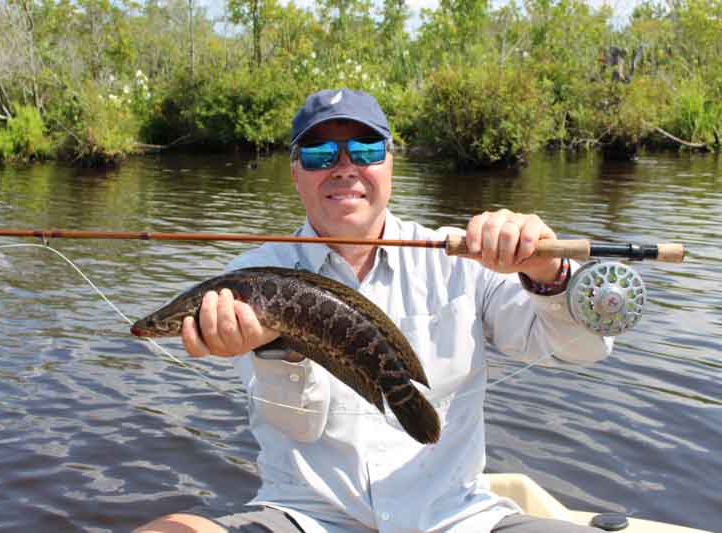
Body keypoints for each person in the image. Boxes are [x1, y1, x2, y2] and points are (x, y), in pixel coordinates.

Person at [136, 89, 613, 533]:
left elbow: (583, 350)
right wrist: (279, 351)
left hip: (457, 517)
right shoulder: (244, 281)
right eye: (320, 154)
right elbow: (295, 426)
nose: (344, 167)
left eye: (365, 150)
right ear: (295, 173)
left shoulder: (463, 259)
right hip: (307, 518)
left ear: (390, 163)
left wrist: (550, 274)